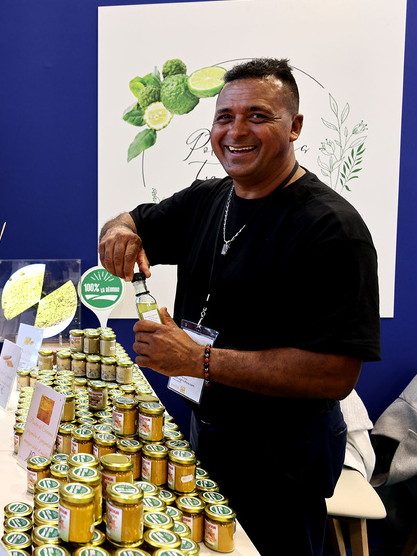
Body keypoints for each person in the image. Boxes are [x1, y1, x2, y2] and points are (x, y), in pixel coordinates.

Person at [98, 58, 381, 555]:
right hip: (206, 432)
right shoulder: (208, 199)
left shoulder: (333, 230)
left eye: (257, 116)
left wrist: (198, 360)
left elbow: (336, 373)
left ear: (294, 127)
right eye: (224, 117)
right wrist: (119, 234)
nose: (236, 131)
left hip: (281, 460)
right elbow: (129, 221)